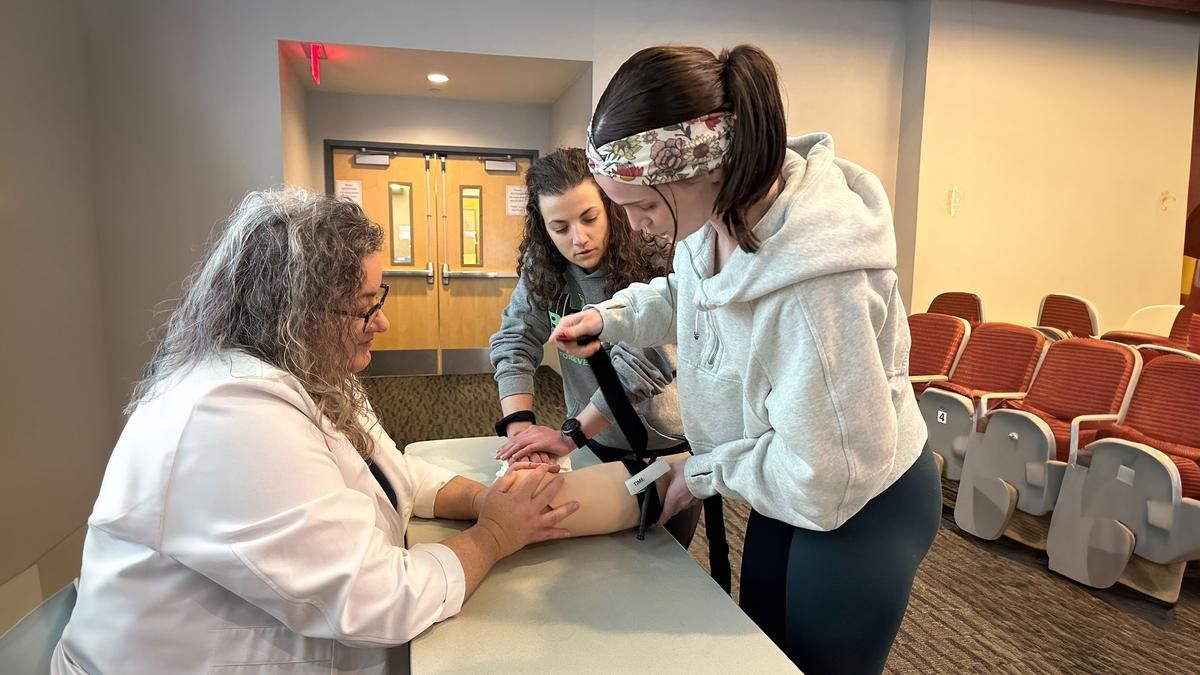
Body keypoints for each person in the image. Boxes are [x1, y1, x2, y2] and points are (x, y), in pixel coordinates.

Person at [49, 189, 649, 675]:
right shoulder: (226, 416)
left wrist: (481, 498)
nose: (382, 321)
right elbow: (376, 602)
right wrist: (493, 535)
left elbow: (390, 470)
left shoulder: (306, 368)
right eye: (365, 307)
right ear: (295, 316)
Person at [550, 45, 942, 674]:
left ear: (699, 170)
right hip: (786, 470)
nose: (638, 226)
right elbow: (689, 290)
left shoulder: (816, 293)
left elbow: (825, 476)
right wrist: (612, 317)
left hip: (857, 499)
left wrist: (703, 471)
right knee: (761, 648)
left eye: (644, 206)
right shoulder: (717, 212)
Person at [489, 147, 701, 546]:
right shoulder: (544, 270)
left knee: (664, 567)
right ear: (544, 230)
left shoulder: (658, 259)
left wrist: (568, 435)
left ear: (610, 206)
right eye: (560, 227)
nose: (579, 238)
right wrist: (521, 432)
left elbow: (641, 364)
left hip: (667, 451)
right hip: (593, 442)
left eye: (589, 218)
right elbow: (515, 339)